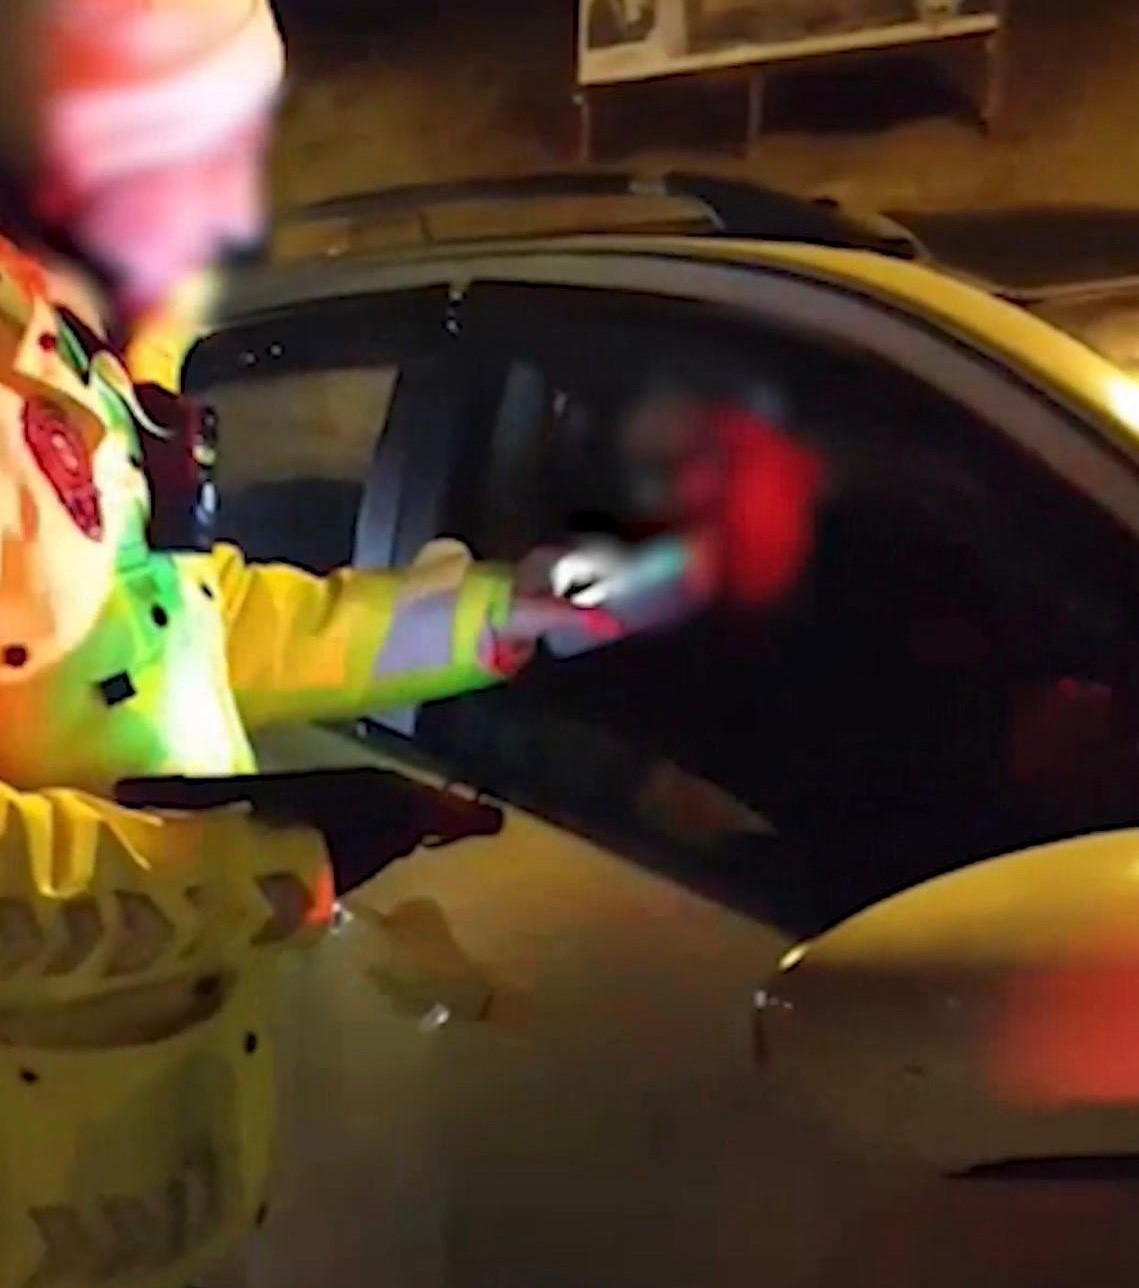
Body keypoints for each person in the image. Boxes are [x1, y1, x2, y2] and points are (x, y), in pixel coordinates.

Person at [0, 3, 823, 1285]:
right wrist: (269, 860)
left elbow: (186, 623)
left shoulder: (67, 364)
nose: (230, 206)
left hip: (147, 1162)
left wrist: (501, 611)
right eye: (190, 149)